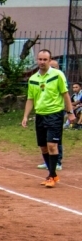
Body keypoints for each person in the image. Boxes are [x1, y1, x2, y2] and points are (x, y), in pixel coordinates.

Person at [23, 50, 74, 187]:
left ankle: (51, 176)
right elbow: (30, 99)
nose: (42, 62)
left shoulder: (57, 75)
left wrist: (70, 112)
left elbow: (65, 94)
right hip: (40, 115)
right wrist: (26, 116)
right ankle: (53, 174)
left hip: (55, 114)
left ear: (50, 60)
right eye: (40, 59)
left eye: (45, 59)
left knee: (52, 145)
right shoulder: (33, 79)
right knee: (43, 147)